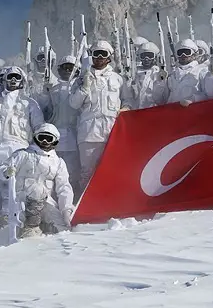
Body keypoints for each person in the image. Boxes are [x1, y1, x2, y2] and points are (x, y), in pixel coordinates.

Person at [0, 65, 44, 230]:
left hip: (18, 149)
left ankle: (7, 226)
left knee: (12, 191)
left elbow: (39, 129)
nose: (13, 80)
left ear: (22, 81)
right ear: (3, 80)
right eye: (9, 76)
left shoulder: (29, 103)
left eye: (16, 77)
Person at [69, 40, 130, 190]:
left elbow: (128, 100)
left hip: (112, 131)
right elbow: (73, 104)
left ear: (109, 57)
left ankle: (111, 200)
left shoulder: (118, 79)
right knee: (87, 172)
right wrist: (84, 88)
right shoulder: (81, 79)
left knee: (113, 169)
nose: (100, 58)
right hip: (89, 132)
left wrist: (125, 109)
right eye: (97, 54)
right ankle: (85, 203)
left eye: (103, 54)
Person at [0, 123, 75, 238]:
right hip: (20, 202)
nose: (44, 141)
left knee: (62, 229)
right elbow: (2, 170)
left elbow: (64, 187)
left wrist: (66, 210)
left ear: (55, 141)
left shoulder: (58, 162)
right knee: (12, 231)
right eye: (41, 137)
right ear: (36, 138)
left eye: (49, 139)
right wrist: (6, 172)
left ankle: (43, 228)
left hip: (44, 203)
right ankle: (29, 229)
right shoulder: (23, 154)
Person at [46, 56, 82, 198]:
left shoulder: (79, 88)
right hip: (56, 135)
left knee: (72, 170)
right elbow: (46, 111)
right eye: (65, 67)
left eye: (71, 68)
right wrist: (44, 93)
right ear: (59, 70)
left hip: (74, 134)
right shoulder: (52, 90)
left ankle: (72, 198)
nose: (67, 71)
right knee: (54, 169)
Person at [157, 39, 208, 107]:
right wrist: (161, 82)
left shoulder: (201, 71)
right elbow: (161, 100)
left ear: (194, 54)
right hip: (173, 111)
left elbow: (209, 95)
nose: (183, 55)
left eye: (187, 52)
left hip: (193, 110)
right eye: (180, 53)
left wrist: (193, 99)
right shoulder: (172, 75)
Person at [127, 42, 166, 109]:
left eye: (150, 56)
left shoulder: (158, 74)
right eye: (143, 56)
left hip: (152, 111)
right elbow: (129, 96)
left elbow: (160, 99)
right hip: (136, 111)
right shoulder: (134, 73)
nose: (146, 59)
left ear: (155, 57)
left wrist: (160, 81)